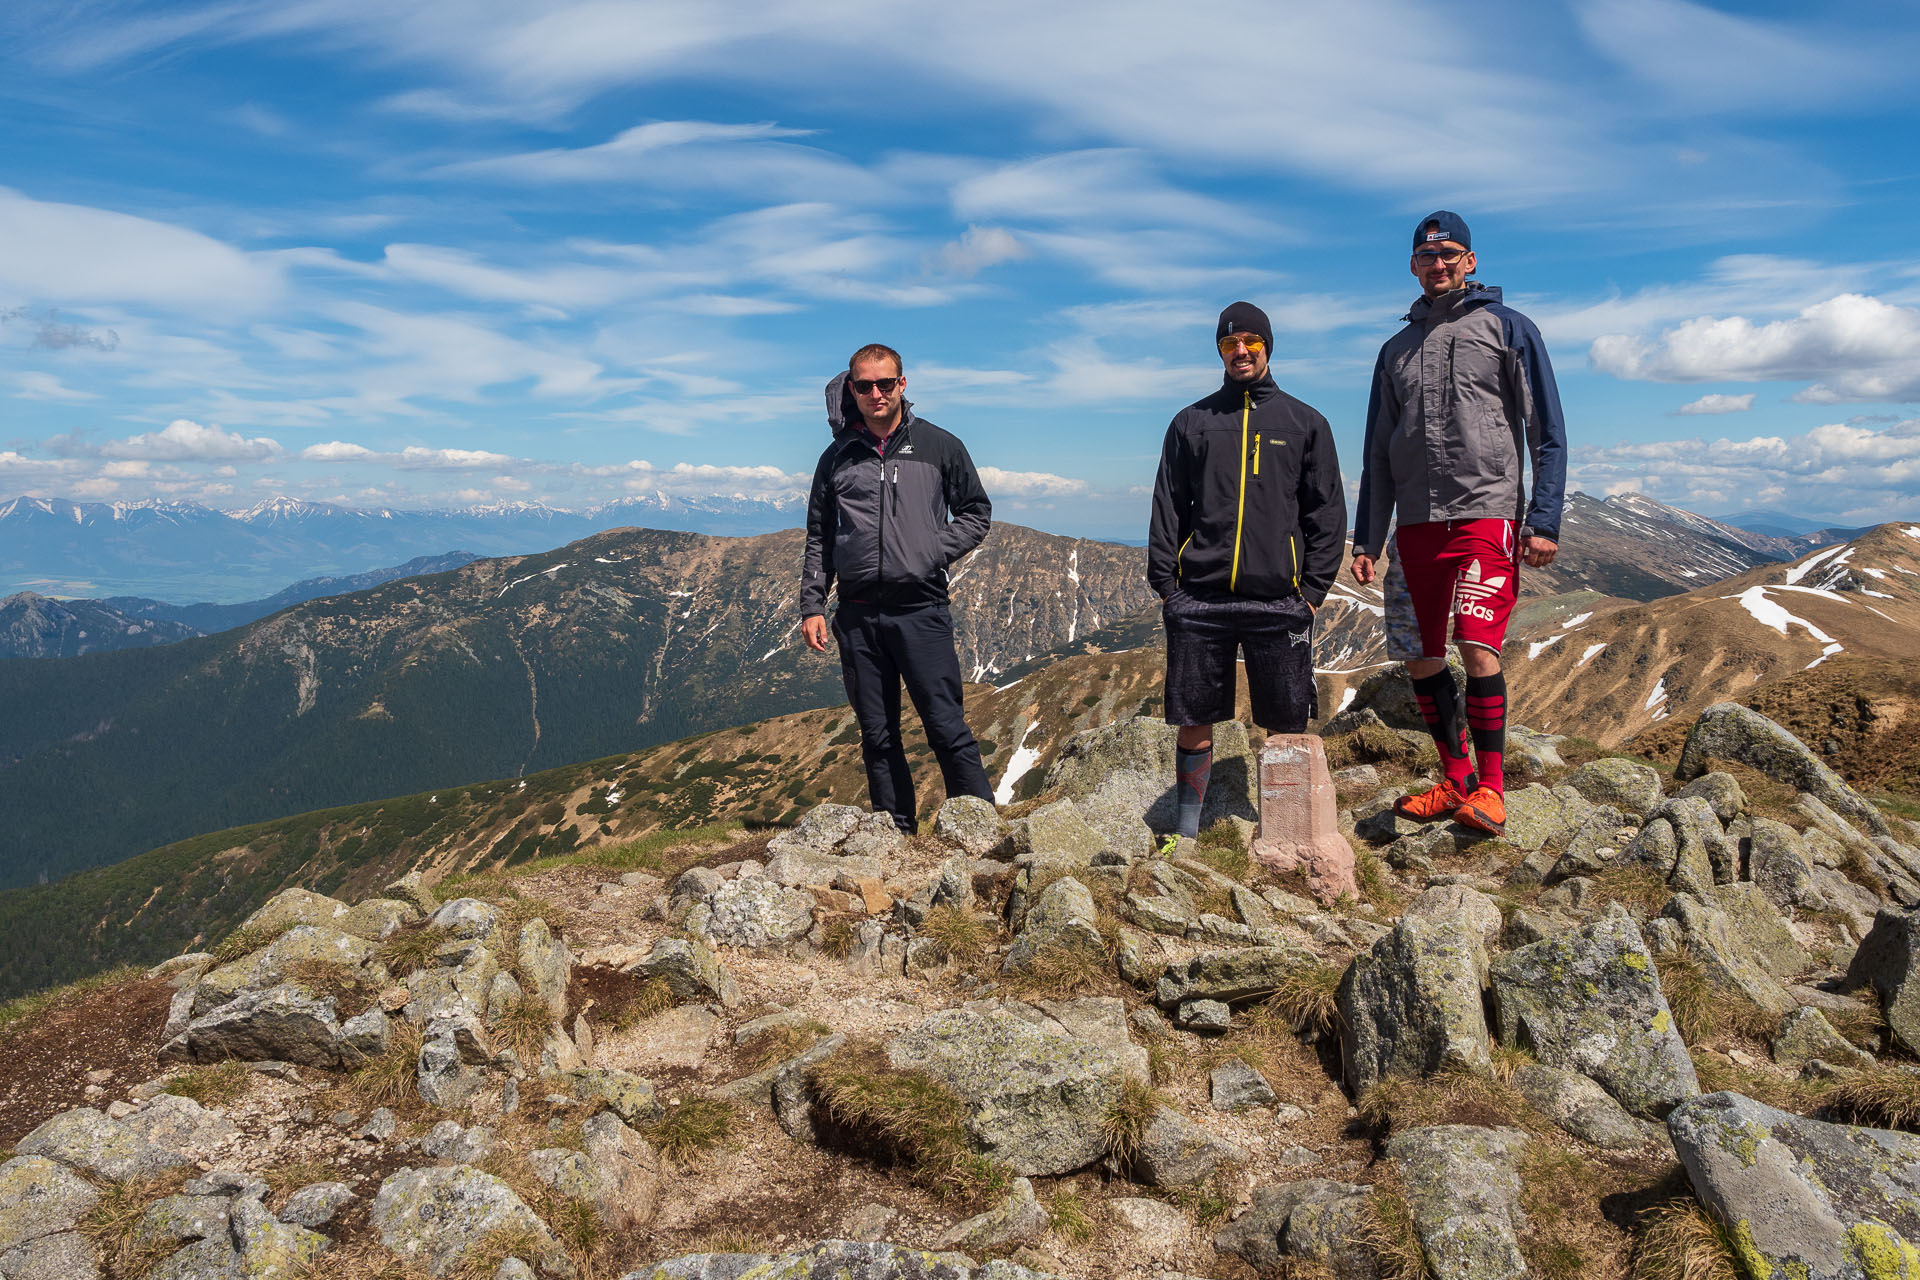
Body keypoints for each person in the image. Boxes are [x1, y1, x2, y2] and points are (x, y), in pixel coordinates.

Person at [1349, 211, 1568, 836]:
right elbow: (1377, 449)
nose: (1438, 264)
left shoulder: (1509, 328)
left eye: (1449, 255)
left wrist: (1543, 518)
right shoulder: (1395, 350)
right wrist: (1369, 536)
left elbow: (1546, 432)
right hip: (1415, 524)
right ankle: (1457, 779)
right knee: (1419, 656)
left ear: (1470, 261)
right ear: (1413, 266)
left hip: (1486, 513)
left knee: (1476, 644)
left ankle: (1493, 791)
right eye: (1426, 256)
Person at [1147, 302, 1348, 848]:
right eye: (1229, 344)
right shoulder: (1192, 422)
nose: (1241, 352)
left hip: (1279, 600)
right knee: (1194, 715)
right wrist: (1168, 589)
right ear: (1219, 351)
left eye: (1252, 343)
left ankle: (1287, 835)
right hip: (1200, 598)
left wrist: (1311, 593)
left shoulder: (1305, 423)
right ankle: (1187, 832)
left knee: (1286, 722)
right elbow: (1168, 504)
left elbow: (1326, 512)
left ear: (1268, 347)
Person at [800, 343, 996, 833]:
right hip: (858, 613)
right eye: (864, 385)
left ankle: (980, 831)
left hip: (921, 608)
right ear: (852, 389)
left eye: (885, 383)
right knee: (878, 734)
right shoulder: (837, 456)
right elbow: (820, 534)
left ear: (902, 385)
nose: (875, 393)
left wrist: (930, 549)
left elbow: (976, 513)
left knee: (947, 728)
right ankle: (895, 834)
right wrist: (813, 604)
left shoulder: (939, 445)